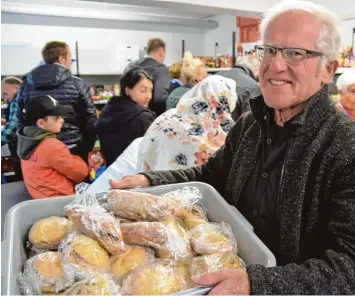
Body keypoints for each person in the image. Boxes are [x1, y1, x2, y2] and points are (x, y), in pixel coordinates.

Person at [110, 0, 355, 294]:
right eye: (269, 50)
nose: (276, 65)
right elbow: (212, 176)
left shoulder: (346, 147)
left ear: (328, 69)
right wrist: (150, 181)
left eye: (295, 53)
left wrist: (257, 283)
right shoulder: (251, 124)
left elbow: (348, 266)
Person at [89, 75, 237, 193]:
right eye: (143, 90)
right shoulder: (220, 135)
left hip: (142, 183)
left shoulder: (169, 116)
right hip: (183, 198)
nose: (148, 95)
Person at [16, 41, 97, 162]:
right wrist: (87, 146)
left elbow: (21, 118)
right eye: (70, 58)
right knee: (77, 178)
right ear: (61, 59)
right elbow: (90, 118)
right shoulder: (77, 83)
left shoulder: (26, 84)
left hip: (39, 148)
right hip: (73, 147)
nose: (71, 62)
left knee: (46, 180)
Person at [17, 95, 89, 199]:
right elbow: (81, 173)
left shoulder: (26, 140)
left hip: (38, 199)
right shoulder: (51, 146)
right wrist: (76, 157)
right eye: (56, 118)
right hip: (60, 201)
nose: (62, 120)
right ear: (41, 123)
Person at [97, 68, 155, 167]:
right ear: (128, 90)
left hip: (111, 172)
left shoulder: (107, 110)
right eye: (143, 90)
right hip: (136, 175)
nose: (149, 96)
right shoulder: (143, 117)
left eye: (150, 91)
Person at [124, 38, 170, 116]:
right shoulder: (160, 69)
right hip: (149, 118)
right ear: (161, 52)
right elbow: (160, 98)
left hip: (127, 114)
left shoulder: (130, 66)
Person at [1, 76, 23, 179]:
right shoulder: (23, 97)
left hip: (20, 149)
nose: (5, 97)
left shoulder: (17, 99)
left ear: (16, 87)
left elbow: (13, 126)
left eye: (5, 93)